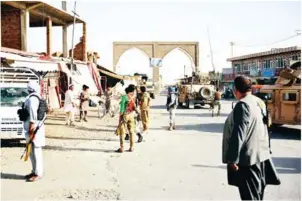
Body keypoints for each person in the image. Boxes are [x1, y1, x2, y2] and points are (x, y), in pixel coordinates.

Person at [222, 76, 278, 200]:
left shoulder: (243, 105)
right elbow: (266, 128)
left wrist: (232, 159)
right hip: (261, 156)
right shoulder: (258, 102)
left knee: (250, 197)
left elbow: (239, 133)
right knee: (257, 194)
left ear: (235, 90)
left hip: (248, 161)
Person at [23, 81, 46, 182]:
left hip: (34, 128)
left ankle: (38, 173)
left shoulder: (33, 99)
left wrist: (32, 130)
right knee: (31, 151)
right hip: (32, 127)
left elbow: (33, 116)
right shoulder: (34, 97)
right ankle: (34, 171)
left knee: (36, 151)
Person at [116, 85, 138, 153]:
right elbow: (135, 106)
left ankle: (122, 148)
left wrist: (120, 116)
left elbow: (122, 107)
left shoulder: (124, 97)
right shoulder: (133, 97)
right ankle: (132, 147)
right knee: (131, 131)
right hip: (131, 115)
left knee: (122, 131)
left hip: (125, 115)